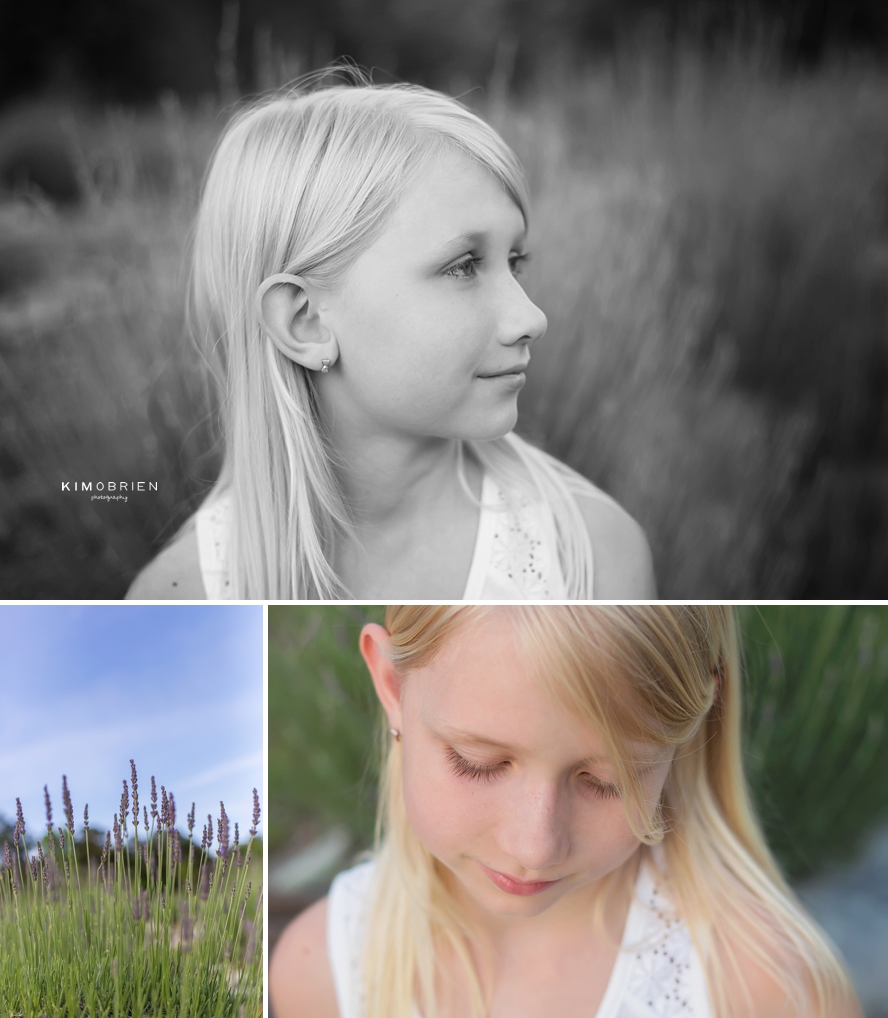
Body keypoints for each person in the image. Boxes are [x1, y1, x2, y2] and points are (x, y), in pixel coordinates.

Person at [126, 70, 655, 599]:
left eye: (515, 261)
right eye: (463, 266)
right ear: (304, 321)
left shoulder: (589, 556)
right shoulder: (175, 599)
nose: (531, 318)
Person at [270, 605, 861, 1018]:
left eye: (606, 781)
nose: (535, 846)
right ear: (392, 685)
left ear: (691, 726)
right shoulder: (319, 970)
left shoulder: (768, 990)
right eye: (480, 763)